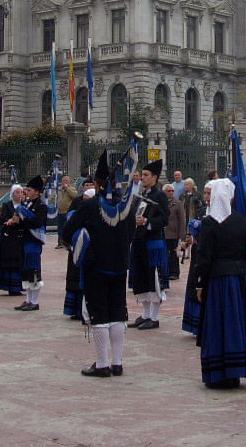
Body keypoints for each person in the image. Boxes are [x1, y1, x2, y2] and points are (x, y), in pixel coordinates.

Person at [193, 177, 246, 389]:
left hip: (219, 281)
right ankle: (237, 369)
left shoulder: (210, 223)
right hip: (241, 279)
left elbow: (204, 257)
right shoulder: (242, 220)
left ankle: (220, 372)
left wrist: (200, 283)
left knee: (220, 324)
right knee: (238, 322)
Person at [61, 152, 135, 378]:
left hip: (96, 267)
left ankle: (102, 364)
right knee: (118, 311)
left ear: (99, 184)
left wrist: (79, 246)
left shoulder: (90, 206)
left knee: (100, 314)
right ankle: (118, 362)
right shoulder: (127, 208)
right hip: (120, 266)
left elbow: (67, 232)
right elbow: (131, 234)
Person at [128, 160, 169, 329]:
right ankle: (145, 315)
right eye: (142, 175)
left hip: (153, 242)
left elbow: (164, 218)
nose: (142, 178)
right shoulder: (143, 194)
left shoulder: (159, 195)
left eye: (146, 175)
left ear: (155, 177)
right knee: (141, 277)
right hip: (139, 241)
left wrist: (147, 221)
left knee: (154, 280)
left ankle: (154, 317)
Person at [180, 181, 211, 336]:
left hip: (210, 256)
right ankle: (196, 323)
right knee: (195, 284)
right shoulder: (202, 210)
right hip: (198, 253)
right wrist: (189, 239)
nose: (206, 197)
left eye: (209, 193)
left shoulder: (221, 212)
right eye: (205, 193)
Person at [13, 176, 48, 312]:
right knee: (26, 270)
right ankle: (28, 299)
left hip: (34, 242)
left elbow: (37, 223)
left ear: (37, 192)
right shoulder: (26, 205)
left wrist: (21, 222)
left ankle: (35, 301)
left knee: (33, 270)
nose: (26, 191)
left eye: (29, 189)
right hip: (24, 241)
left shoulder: (41, 206)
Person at [62, 178, 94, 321]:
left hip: (88, 248)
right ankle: (74, 309)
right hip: (75, 247)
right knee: (75, 278)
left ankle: (85, 311)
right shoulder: (77, 202)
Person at [0, 184, 28, 297]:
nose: (20, 195)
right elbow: (1, 219)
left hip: (20, 237)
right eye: (17, 192)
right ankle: (11, 286)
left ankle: (20, 285)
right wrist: (10, 220)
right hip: (9, 238)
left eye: (21, 192)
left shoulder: (24, 205)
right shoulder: (7, 205)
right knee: (10, 262)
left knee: (20, 261)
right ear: (12, 194)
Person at [163, 183, 186, 280]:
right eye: (169, 191)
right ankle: (165, 271)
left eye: (172, 191)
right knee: (164, 253)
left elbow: (182, 220)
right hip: (163, 233)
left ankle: (174, 272)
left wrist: (181, 235)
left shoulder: (178, 203)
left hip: (173, 233)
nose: (171, 192)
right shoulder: (161, 203)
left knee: (174, 254)